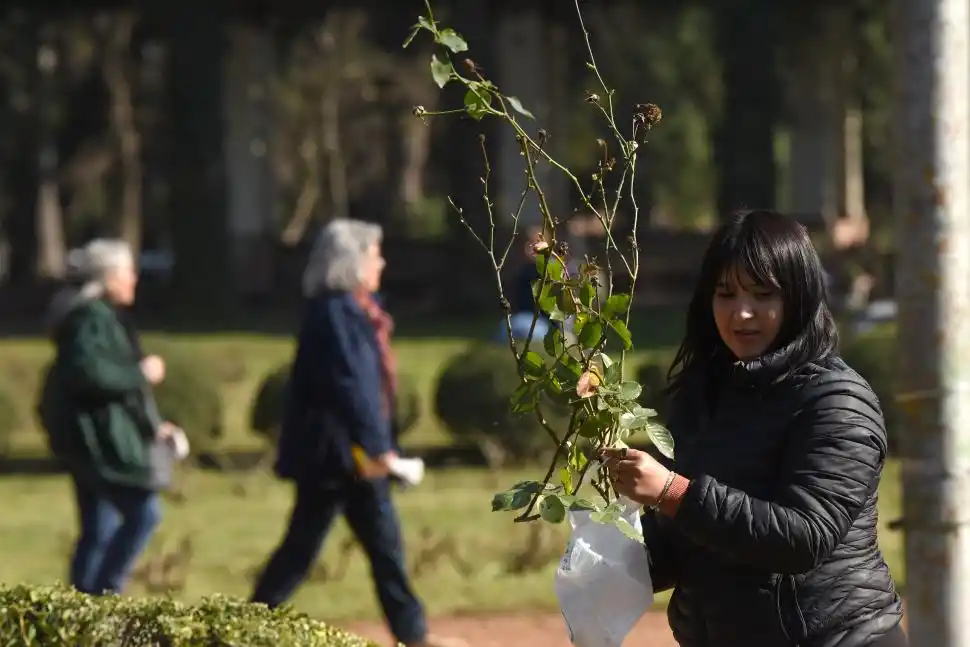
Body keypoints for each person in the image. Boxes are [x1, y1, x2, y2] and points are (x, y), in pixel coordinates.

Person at [600, 210, 907, 647]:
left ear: (798, 298)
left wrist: (672, 492)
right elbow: (698, 538)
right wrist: (608, 550)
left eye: (763, 295)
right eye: (725, 294)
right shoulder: (704, 394)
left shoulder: (837, 401)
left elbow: (804, 538)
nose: (742, 313)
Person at [249, 219, 462, 647]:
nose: (381, 263)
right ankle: (246, 626)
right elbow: (352, 385)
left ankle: (413, 634)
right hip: (336, 457)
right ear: (352, 262)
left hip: (354, 457)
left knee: (384, 547)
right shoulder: (336, 313)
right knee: (303, 549)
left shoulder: (355, 310)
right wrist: (379, 447)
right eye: (374, 255)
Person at [41, 239, 175, 595]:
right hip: (100, 441)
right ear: (109, 277)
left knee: (100, 528)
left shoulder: (98, 317)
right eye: (128, 272)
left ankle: (81, 608)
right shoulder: (91, 320)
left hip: (94, 439)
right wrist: (141, 374)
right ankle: (105, 596)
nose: (134, 279)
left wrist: (153, 426)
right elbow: (90, 374)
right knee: (145, 514)